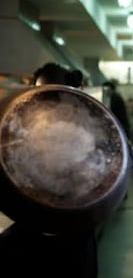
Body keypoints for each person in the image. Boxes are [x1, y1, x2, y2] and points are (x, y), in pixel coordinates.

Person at [0, 62, 98, 278]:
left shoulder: (87, 127)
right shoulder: (24, 125)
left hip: (73, 232)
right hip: (30, 227)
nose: (43, 103)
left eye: (50, 95)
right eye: (37, 94)